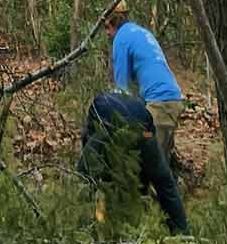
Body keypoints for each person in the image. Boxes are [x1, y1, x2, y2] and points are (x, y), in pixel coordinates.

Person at [77, 90, 190, 236]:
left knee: (84, 181)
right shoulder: (137, 107)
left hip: (112, 130)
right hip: (144, 134)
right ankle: (183, 235)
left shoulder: (99, 113)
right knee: (164, 184)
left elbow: (86, 171)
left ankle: (82, 232)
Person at [104, 1, 184, 163]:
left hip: (160, 106)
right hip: (171, 102)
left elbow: (122, 91)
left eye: (106, 27)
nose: (106, 33)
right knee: (159, 160)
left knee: (147, 164)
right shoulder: (140, 32)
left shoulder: (121, 39)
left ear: (111, 22)